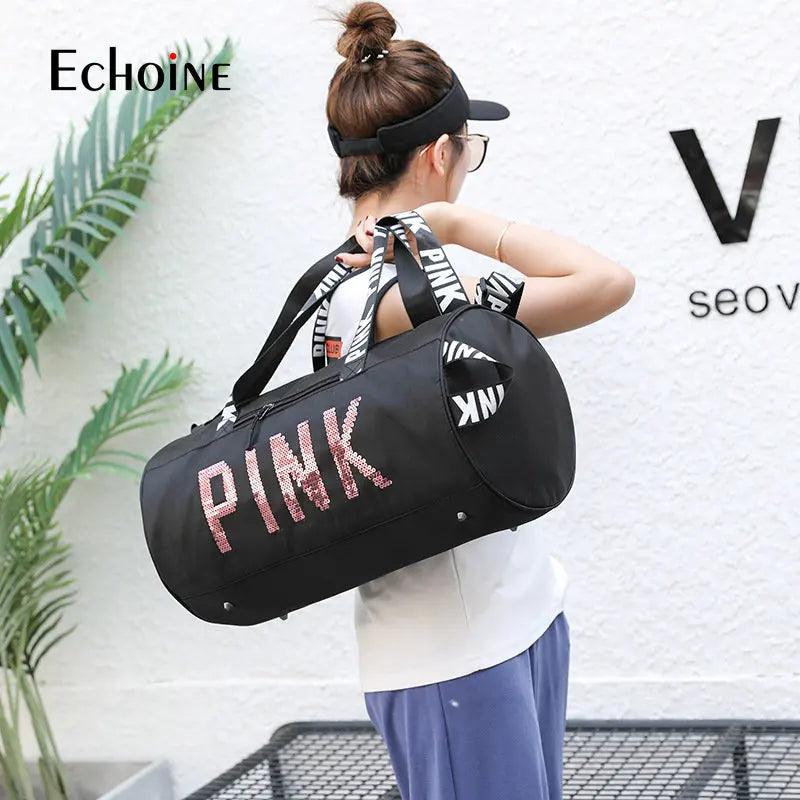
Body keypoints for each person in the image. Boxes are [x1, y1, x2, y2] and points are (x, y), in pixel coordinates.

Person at [319, 3, 636, 798]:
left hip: (509, 615)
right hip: (454, 654)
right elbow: (606, 281)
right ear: (440, 153)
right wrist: (457, 223)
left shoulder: (380, 281)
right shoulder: (389, 290)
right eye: (470, 147)